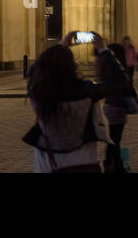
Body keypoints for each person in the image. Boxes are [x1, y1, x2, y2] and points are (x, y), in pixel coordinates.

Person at [25, 42, 110, 173]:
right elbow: (120, 81)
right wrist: (103, 49)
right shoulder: (86, 91)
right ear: (72, 65)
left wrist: (60, 47)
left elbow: (33, 72)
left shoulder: (39, 94)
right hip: (84, 160)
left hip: (49, 162)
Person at [89, 33, 137, 173]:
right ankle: (113, 164)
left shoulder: (105, 67)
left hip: (111, 106)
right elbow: (121, 84)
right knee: (115, 139)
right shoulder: (115, 71)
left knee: (114, 138)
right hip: (116, 106)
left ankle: (112, 163)